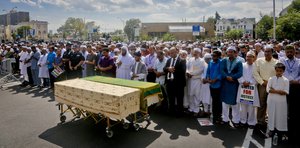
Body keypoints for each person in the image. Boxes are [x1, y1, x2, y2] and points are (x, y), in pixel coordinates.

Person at [279, 45, 300, 145]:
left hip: (296, 88)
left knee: (293, 111)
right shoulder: (282, 60)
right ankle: (283, 131)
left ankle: (293, 134)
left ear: (294, 51)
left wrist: (297, 81)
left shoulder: (299, 61)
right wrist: (290, 80)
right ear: (285, 52)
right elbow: (282, 72)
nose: (290, 53)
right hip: (284, 86)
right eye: (288, 52)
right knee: (283, 109)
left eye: (291, 51)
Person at [253, 45, 278, 127]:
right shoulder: (259, 61)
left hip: (273, 86)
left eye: (268, 51)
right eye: (265, 51)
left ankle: (272, 122)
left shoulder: (277, 62)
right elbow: (255, 73)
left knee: (272, 104)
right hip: (262, 85)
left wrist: (271, 83)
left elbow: (279, 74)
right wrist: (262, 82)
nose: (267, 53)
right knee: (262, 104)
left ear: (272, 52)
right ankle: (260, 121)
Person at [220, 46, 243, 127]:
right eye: (228, 52)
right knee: (225, 103)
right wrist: (227, 77)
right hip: (225, 84)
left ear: (235, 53)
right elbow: (221, 70)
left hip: (234, 84)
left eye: (231, 52)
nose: (229, 53)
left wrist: (232, 77)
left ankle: (235, 120)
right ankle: (225, 119)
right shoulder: (224, 60)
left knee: (235, 103)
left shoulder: (239, 62)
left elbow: (240, 73)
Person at [237, 51, 260, 129]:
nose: (248, 58)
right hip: (243, 87)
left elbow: (257, 77)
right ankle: (243, 121)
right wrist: (243, 81)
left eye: (251, 56)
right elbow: (239, 75)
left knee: (251, 106)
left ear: (254, 58)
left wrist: (249, 82)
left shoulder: (256, 66)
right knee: (243, 106)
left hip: (252, 88)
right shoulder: (242, 65)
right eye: (247, 56)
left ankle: (251, 122)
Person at [266, 63, 289, 140]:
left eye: (280, 71)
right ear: (275, 71)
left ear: (283, 71)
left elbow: (286, 92)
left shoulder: (286, 80)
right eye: (277, 71)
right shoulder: (271, 79)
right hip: (271, 100)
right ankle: (271, 130)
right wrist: (279, 91)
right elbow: (268, 90)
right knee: (271, 115)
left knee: (280, 115)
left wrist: (274, 90)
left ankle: (280, 131)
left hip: (281, 102)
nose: (279, 72)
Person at [164, 47, 186, 117]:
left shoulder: (182, 60)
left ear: (176, 52)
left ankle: (180, 113)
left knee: (179, 99)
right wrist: (168, 68)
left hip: (178, 83)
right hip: (169, 82)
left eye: (173, 52)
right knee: (171, 98)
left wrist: (173, 70)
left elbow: (183, 71)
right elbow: (164, 69)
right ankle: (171, 111)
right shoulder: (168, 60)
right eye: (170, 53)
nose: (171, 54)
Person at [186, 48, 205, 117]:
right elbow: (187, 68)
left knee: (197, 95)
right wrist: (188, 72)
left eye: (196, 52)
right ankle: (191, 108)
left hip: (197, 80)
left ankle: (196, 110)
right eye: (194, 52)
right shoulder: (190, 59)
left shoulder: (202, 61)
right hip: (190, 80)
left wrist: (192, 74)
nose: (195, 53)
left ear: (199, 53)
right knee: (190, 94)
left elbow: (200, 70)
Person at [206, 50, 223, 124]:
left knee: (218, 101)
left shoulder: (221, 62)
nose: (213, 57)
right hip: (211, 85)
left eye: (215, 56)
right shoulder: (210, 62)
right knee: (214, 100)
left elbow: (221, 73)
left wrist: (215, 79)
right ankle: (214, 115)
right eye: (212, 56)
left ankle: (219, 116)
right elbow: (208, 72)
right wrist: (208, 78)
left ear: (219, 56)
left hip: (218, 85)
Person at [200, 53, 212, 118]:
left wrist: (208, 80)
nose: (208, 60)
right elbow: (200, 73)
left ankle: (211, 111)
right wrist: (202, 79)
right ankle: (205, 111)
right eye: (206, 59)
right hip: (204, 84)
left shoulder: (213, 64)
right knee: (204, 98)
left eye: (209, 58)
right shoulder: (203, 65)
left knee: (210, 98)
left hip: (211, 84)